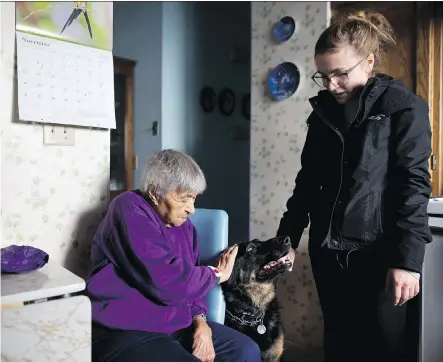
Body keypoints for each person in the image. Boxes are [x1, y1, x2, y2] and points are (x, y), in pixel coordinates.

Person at [277, 10, 432, 362]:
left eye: (341, 74)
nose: (331, 85)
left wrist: (407, 263)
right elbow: (307, 184)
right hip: (327, 254)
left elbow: (414, 187)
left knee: (384, 348)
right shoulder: (322, 115)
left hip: (380, 256)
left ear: (369, 62)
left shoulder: (405, 109)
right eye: (324, 76)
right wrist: (286, 240)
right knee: (339, 345)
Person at [87, 149, 261, 362]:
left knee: (246, 351)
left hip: (176, 325)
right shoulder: (129, 210)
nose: (192, 209)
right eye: (184, 199)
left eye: (194, 199)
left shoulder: (185, 227)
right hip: (127, 330)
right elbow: (169, 283)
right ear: (154, 191)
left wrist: (201, 323)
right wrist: (217, 274)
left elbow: (191, 281)